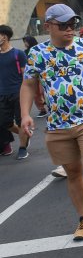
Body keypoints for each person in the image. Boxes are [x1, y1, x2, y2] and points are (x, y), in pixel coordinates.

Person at [19, 4, 83, 240]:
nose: (70, 29)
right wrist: (25, 114)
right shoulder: (37, 53)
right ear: (47, 27)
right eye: (63, 25)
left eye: (72, 25)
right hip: (57, 125)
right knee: (73, 172)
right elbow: (27, 84)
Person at [0, 24, 31, 159]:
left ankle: (23, 148)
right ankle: (24, 133)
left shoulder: (18, 54)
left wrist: (27, 93)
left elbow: (25, 76)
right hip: (2, 94)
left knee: (20, 121)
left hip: (18, 93)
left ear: (4, 37)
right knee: (4, 122)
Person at [22, 36, 47, 119]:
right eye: (24, 42)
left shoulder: (39, 50)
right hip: (32, 75)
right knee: (36, 93)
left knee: (43, 91)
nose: (25, 44)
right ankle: (42, 109)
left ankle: (47, 103)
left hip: (42, 74)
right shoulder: (25, 52)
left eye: (26, 41)